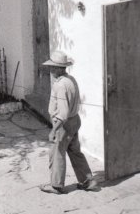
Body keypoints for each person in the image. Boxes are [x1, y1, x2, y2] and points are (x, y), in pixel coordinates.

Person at [40, 51, 98, 194]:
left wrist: (54, 130)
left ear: (60, 68)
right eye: (51, 67)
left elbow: (63, 113)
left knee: (57, 153)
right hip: (74, 121)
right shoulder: (71, 80)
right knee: (75, 151)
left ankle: (56, 186)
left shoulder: (59, 85)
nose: (51, 70)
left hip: (63, 125)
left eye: (53, 67)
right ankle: (87, 180)